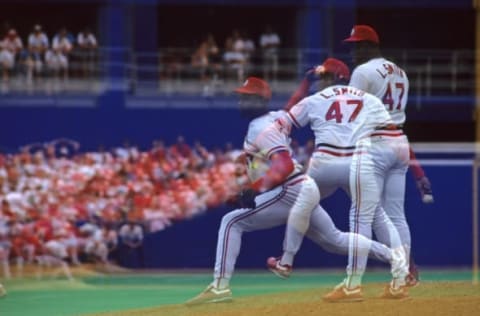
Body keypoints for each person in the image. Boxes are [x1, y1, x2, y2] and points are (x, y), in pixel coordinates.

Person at [185, 77, 407, 305]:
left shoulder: (260, 127)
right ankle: (395, 257)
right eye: (241, 97)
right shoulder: (275, 117)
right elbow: (290, 109)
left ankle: (220, 287)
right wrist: (303, 84)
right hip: (302, 187)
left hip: (290, 188)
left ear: (260, 101)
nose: (241, 102)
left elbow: (285, 165)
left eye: (247, 97)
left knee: (231, 222)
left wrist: (253, 190)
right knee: (334, 240)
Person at [269, 58, 409, 301]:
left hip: (324, 163)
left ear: (328, 79)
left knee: (301, 204)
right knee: (374, 216)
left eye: (322, 76)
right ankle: (396, 274)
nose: (320, 81)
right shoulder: (369, 99)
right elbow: (393, 135)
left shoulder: (313, 100)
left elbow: (280, 125)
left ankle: (286, 261)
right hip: (358, 163)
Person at [343, 24, 433, 286]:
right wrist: (418, 171)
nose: (352, 51)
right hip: (399, 142)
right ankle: (406, 272)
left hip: (376, 144)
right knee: (395, 214)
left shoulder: (363, 71)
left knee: (362, 212)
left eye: (357, 46)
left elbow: (349, 116)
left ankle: (353, 281)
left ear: (371, 46)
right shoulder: (401, 73)